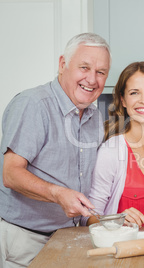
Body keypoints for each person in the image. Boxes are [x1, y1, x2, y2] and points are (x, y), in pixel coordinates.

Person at [0, 32, 111, 267]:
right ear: (63, 65)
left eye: (101, 72)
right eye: (84, 67)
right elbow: (10, 174)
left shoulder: (94, 117)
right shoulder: (34, 104)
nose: (92, 79)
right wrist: (58, 194)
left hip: (67, 238)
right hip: (22, 240)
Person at [82, 62, 144, 228]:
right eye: (134, 93)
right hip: (120, 249)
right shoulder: (111, 151)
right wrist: (116, 219)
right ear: (123, 100)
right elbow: (87, 217)